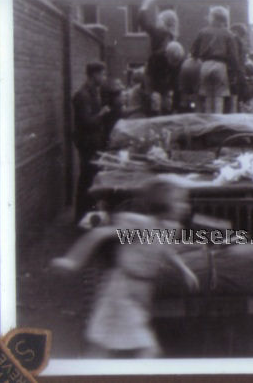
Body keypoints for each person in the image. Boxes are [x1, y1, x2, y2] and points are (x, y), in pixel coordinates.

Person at [52, 178, 199, 357]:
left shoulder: (170, 228)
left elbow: (166, 250)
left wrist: (183, 269)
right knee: (143, 349)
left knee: (103, 345)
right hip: (121, 291)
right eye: (179, 201)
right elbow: (98, 234)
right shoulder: (141, 226)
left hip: (140, 293)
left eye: (185, 201)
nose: (185, 206)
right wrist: (72, 261)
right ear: (162, 203)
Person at [72, 61, 110, 222]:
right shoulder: (83, 95)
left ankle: (86, 216)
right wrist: (102, 113)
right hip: (87, 143)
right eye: (102, 74)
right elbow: (87, 122)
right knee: (87, 179)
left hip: (93, 142)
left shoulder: (92, 92)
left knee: (90, 179)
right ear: (94, 74)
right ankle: (81, 216)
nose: (103, 77)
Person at [191, 6, 239, 113]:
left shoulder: (202, 32)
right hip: (221, 65)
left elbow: (193, 52)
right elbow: (233, 57)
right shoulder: (228, 34)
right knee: (219, 97)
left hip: (205, 65)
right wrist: (234, 73)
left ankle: (209, 122)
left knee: (207, 98)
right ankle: (218, 122)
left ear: (213, 18)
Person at [138, 0, 179, 111]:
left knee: (152, 94)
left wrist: (144, 5)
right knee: (165, 95)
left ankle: (153, 115)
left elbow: (143, 22)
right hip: (166, 69)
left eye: (159, 19)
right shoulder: (173, 37)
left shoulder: (159, 32)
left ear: (164, 22)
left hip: (155, 65)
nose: (157, 21)